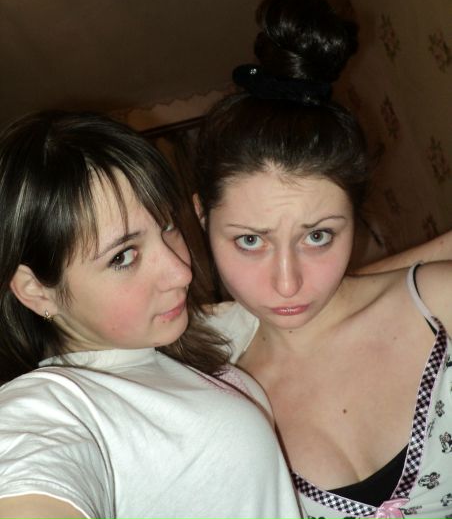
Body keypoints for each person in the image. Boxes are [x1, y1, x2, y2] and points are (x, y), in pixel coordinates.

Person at [193, 0, 452, 518]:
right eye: (250, 240)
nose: (287, 283)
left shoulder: (440, 306)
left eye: (317, 236)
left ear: (355, 218)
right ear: (203, 219)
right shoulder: (220, 405)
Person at [0, 110, 303, 519]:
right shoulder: (53, 406)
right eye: (123, 256)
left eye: (166, 226)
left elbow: (309, 299)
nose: (181, 272)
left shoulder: (170, 344)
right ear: (37, 290)